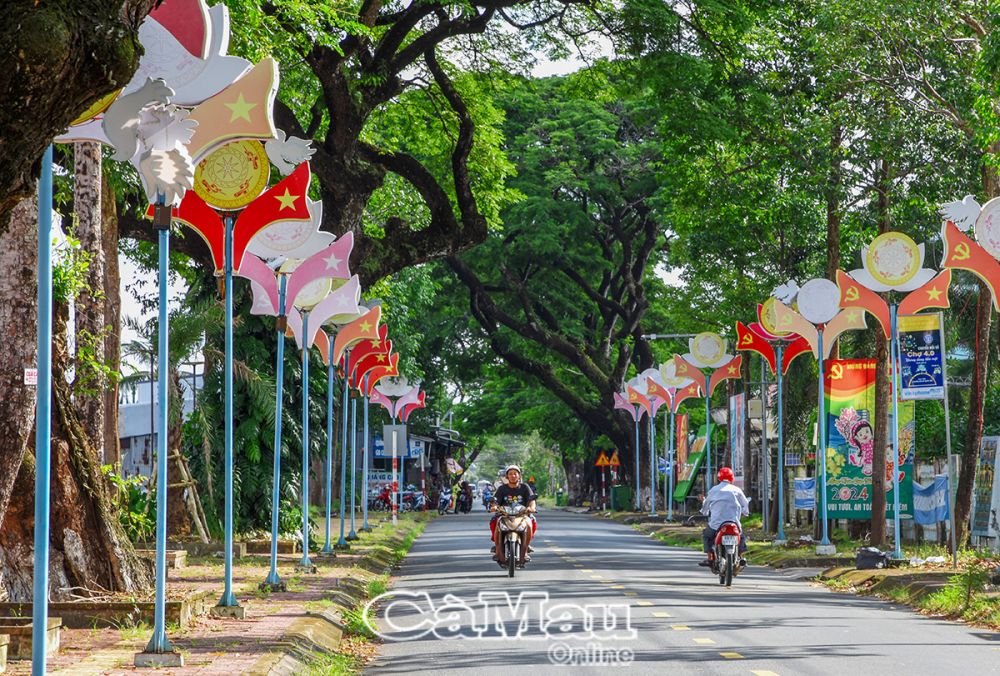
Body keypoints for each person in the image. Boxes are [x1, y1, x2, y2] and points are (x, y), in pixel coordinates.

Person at [698, 467, 749, 568]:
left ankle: (710, 557)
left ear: (719, 478)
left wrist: (704, 511)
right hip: (734, 524)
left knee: (707, 536)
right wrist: (745, 512)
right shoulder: (737, 490)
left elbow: (706, 506)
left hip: (716, 525)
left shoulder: (713, 490)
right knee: (741, 537)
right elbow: (745, 503)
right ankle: (740, 557)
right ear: (732, 478)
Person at [489, 465, 537, 565]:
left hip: (522, 515)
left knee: (531, 521)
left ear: (519, 476)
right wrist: (494, 507)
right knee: (494, 521)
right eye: (510, 474)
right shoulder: (502, 489)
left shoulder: (525, 487)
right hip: (504, 514)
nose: (513, 476)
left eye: (515, 473)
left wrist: (531, 508)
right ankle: (498, 549)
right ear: (507, 476)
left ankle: (526, 547)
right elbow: (495, 501)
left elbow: (532, 500)